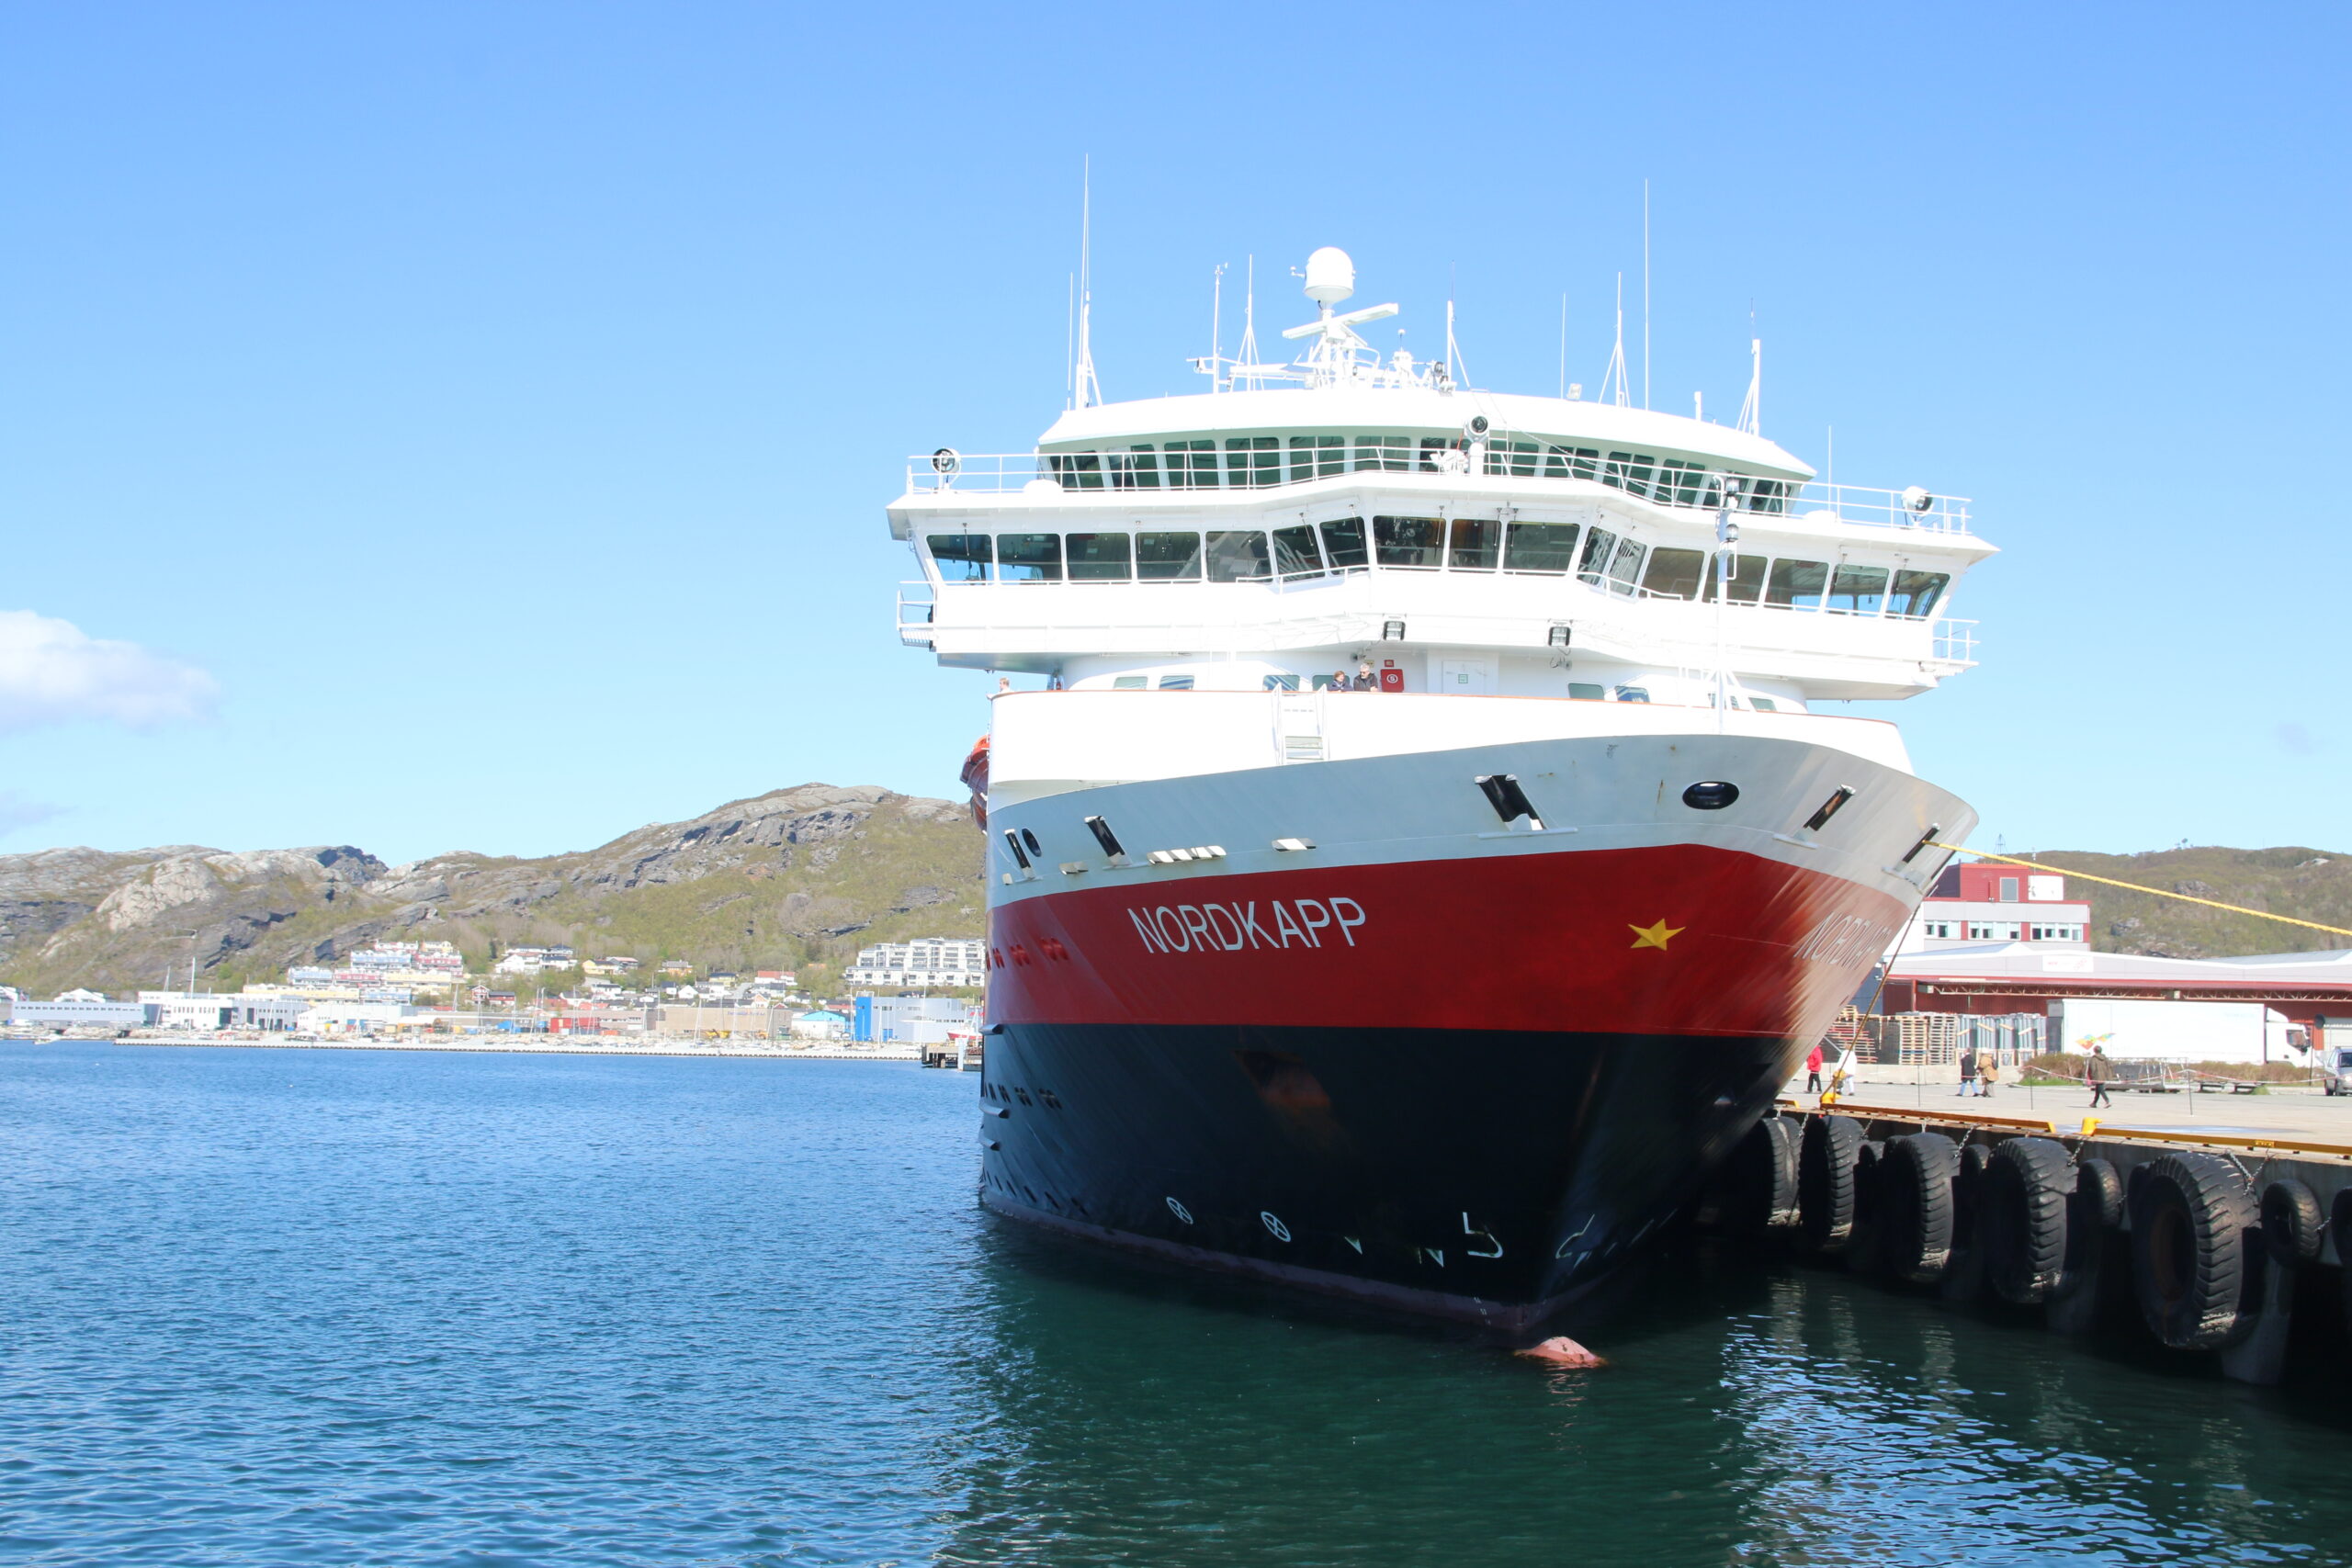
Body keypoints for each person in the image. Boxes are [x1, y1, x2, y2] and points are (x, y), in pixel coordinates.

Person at [2086, 1043, 2114, 1108]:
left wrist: (2092, 1077)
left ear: (2094, 1051)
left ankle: (2107, 1101)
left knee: (2101, 1090)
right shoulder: (2105, 1058)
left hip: (2097, 1076)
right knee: (2097, 1090)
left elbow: (2092, 1068)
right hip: (2103, 1076)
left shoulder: (2093, 1058)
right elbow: (2109, 1067)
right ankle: (2094, 1103)